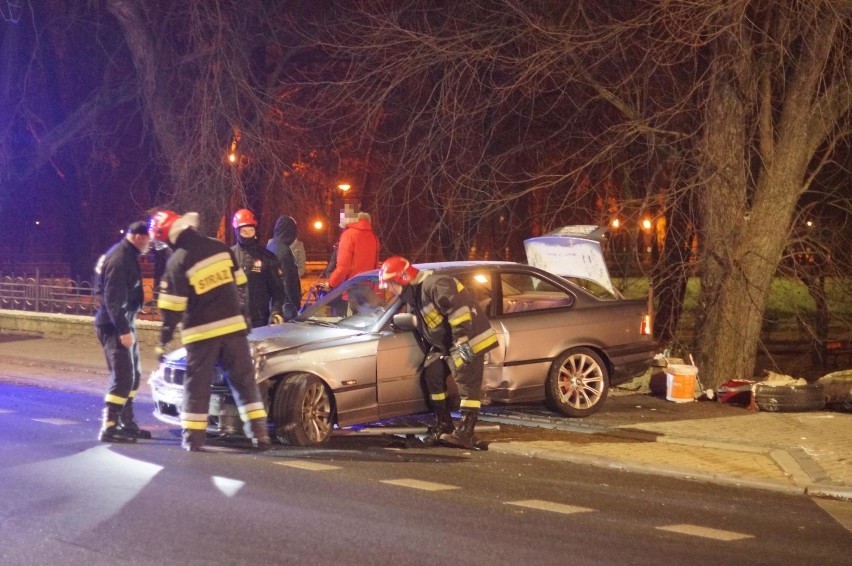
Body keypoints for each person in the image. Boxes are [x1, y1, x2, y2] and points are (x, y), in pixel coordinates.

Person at [148, 210, 271, 452]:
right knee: (245, 383)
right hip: (234, 330)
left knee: (197, 387)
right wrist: (244, 319)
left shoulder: (178, 261)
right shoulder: (220, 248)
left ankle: (193, 439)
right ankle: (259, 434)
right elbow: (241, 286)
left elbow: (171, 311)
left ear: (168, 236)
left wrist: (162, 343)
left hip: (201, 334)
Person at [379, 256, 498, 449]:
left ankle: (466, 432)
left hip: (467, 341)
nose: (390, 290)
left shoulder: (436, 284)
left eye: (391, 284)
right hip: (445, 345)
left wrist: (461, 341)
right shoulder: (416, 294)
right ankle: (444, 423)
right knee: (432, 375)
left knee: (467, 383)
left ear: (402, 278)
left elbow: (459, 311)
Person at [94, 220, 152, 443]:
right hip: (114, 325)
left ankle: (127, 423)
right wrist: (123, 329)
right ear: (138, 237)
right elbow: (114, 299)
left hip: (122, 323)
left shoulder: (127, 255)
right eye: (148, 239)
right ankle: (109, 427)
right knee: (123, 376)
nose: (149, 244)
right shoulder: (120, 259)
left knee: (133, 375)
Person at [231, 208, 286, 328]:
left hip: (258, 320)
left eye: (251, 230)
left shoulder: (267, 257)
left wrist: (276, 312)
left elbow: (277, 290)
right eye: (244, 231)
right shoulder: (228, 256)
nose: (248, 234)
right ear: (237, 231)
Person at [325, 212, 380, 290]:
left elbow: (343, 268)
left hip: (352, 286)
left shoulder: (348, 236)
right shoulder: (373, 237)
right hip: (369, 286)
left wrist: (331, 284)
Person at [266, 215, 304, 320]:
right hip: (285, 305)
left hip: (273, 302)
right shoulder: (284, 251)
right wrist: (295, 302)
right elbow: (289, 280)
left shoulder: (271, 246)